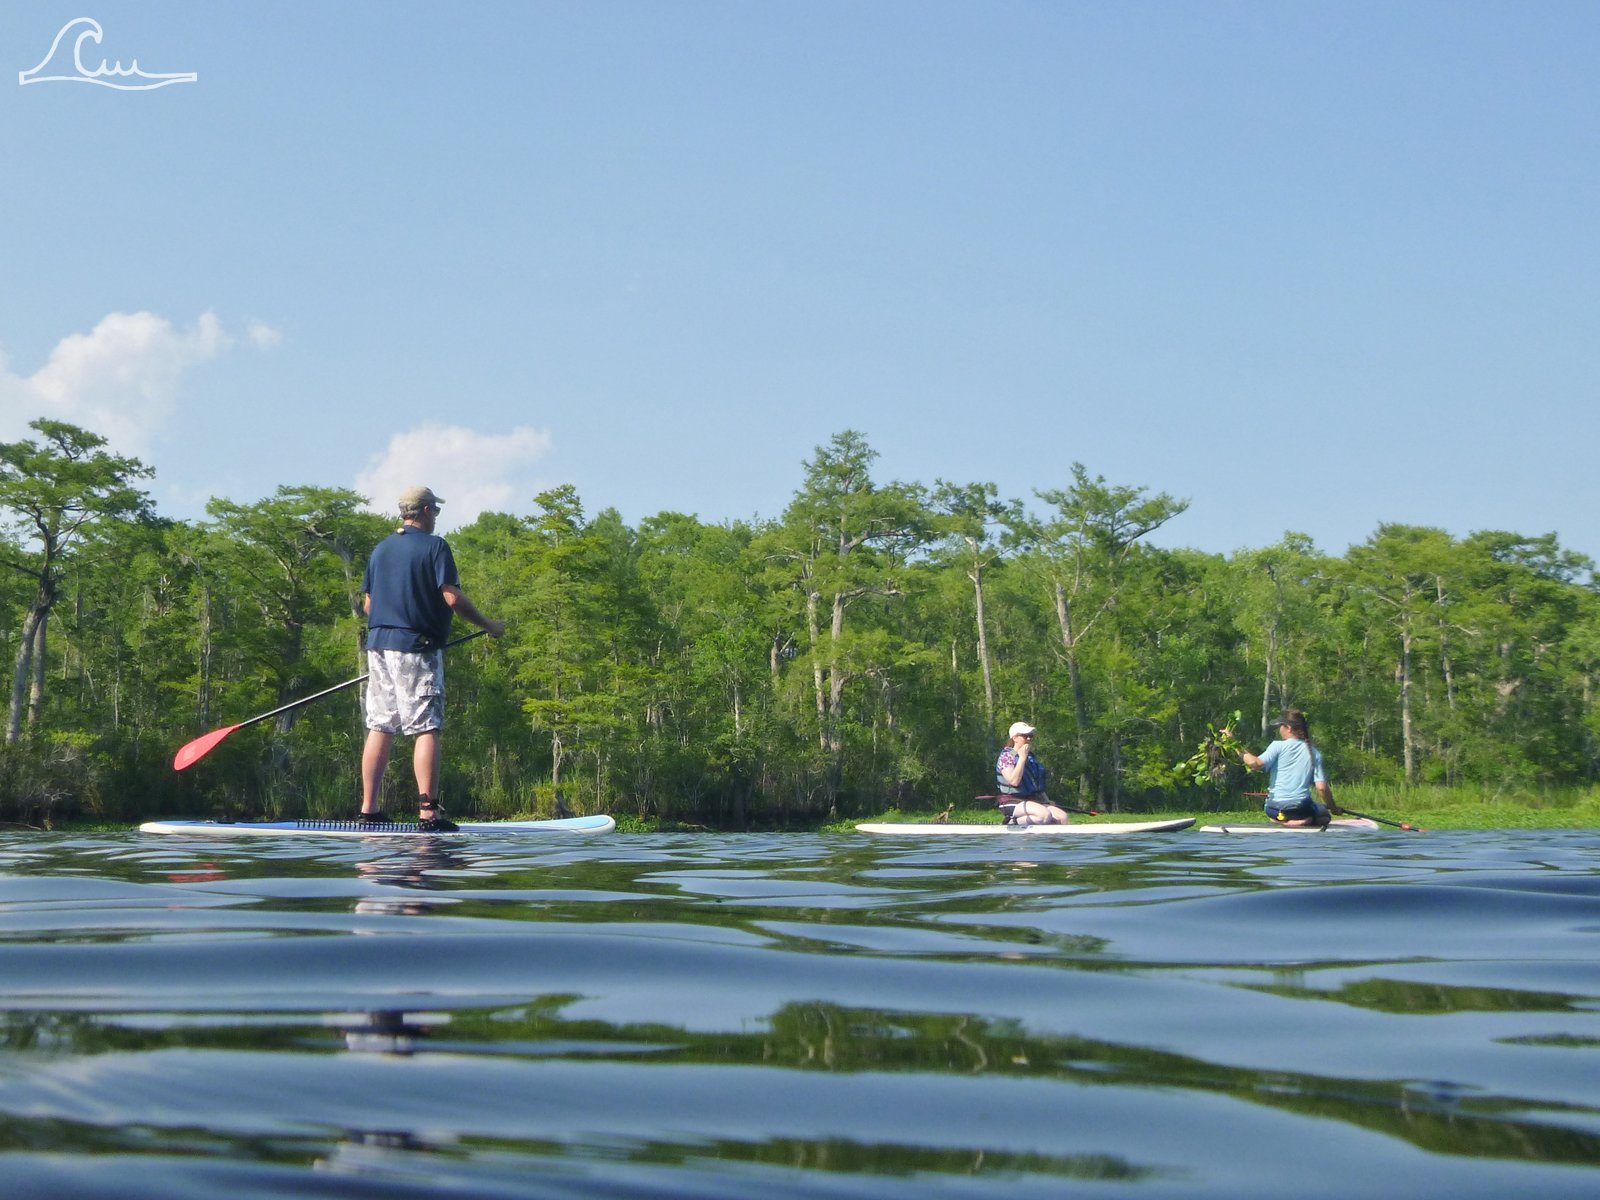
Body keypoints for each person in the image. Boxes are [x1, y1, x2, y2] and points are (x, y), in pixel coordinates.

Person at [359, 485, 505, 831]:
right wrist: (489, 625)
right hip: (417, 648)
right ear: (425, 511)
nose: (437, 516)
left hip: (379, 646)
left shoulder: (381, 549)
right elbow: (451, 598)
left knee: (381, 724)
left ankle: (369, 809)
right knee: (426, 726)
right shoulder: (435, 546)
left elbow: (368, 605)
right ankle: (428, 813)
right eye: (435, 511)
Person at [1238, 708, 1342, 826]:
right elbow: (1322, 788)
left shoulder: (1277, 746)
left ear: (1289, 728)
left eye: (1281, 725)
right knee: (1324, 814)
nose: (1279, 729)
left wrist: (1236, 746)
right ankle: (1303, 820)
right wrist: (1333, 808)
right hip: (1301, 810)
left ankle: (1282, 820)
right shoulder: (1314, 753)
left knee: (1278, 811)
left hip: (1273, 809)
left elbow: (1255, 764)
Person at [994, 721, 1071, 825]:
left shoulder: (1030, 758)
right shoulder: (1006, 757)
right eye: (1025, 736)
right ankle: (1013, 821)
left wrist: (1046, 800)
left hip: (1031, 801)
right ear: (1015, 738)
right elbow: (1014, 781)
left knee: (1062, 817)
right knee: (1044, 815)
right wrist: (1022, 758)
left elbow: (1036, 785)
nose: (1029, 739)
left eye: (1030, 736)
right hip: (1010, 801)